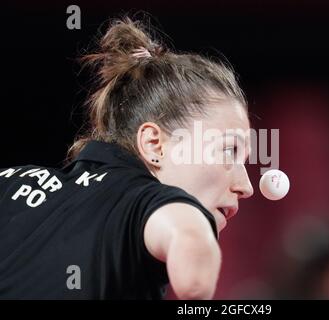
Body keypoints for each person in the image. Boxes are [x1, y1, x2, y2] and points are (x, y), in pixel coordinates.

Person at [0, 17, 254, 299]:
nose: (246, 186)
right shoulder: (144, 200)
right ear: (154, 144)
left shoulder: (11, 181)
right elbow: (187, 239)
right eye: (229, 150)